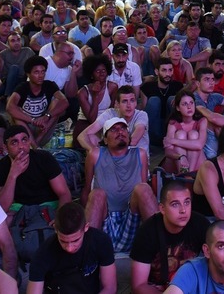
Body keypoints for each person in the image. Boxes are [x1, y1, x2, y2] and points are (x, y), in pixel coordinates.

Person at [84, 116, 158, 254]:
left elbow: (143, 194)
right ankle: (87, 254)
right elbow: (86, 189)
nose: (120, 132)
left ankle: (161, 249)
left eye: (123, 129)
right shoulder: (95, 154)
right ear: (105, 140)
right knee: (96, 194)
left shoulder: (140, 154)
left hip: (131, 218)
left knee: (143, 188)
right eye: (114, 129)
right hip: (105, 219)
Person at [129, 180, 207, 294]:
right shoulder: (147, 231)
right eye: (175, 204)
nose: (183, 210)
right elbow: (139, 285)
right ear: (162, 209)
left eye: (187, 202)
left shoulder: (200, 224)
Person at [26, 201, 115, 294]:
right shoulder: (42, 254)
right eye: (63, 241)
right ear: (55, 229)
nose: (69, 248)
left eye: (75, 240)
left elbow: (109, 288)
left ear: (86, 227)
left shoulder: (101, 241)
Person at [0, 124, 72, 210]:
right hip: (21, 211)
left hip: (49, 207)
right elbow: (0, 208)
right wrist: (13, 175)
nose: (21, 146)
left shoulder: (44, 158)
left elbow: (64, 194)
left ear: (29, 142)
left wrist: (59, 216)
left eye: (24, 140)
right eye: (14, 142)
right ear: (5, 148)